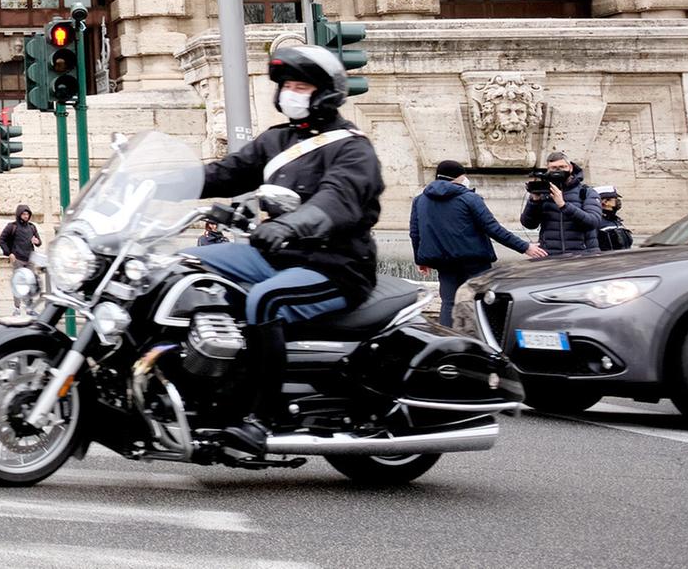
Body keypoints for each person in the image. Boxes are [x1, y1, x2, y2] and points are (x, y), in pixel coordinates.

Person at [191, 43, 386, 453]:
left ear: (326, 93)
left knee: (266, 300)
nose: (290, 93)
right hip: (277, 257)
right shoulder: (276, 140)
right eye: (286, 86)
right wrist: (157, 181)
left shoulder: (353, 149)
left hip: (335, 267)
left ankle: (258, 418)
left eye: (301, 86)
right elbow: (225, 173)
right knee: (187, 266)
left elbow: (336, 199)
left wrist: (289, 225)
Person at [410, 159, 546, 326]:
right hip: (474, 260)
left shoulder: (420, 200)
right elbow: (493, 228)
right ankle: (483, 337)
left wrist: (420, 260)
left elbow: (415, 233)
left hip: (443, 261)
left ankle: (448, 337)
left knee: (449, 303)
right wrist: (525, 247)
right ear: (458, 177)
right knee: (482, 300)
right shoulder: (469, 198)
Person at [520, 150, 607, 258]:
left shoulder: (586, 192)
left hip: (583, 256)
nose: (558, 171)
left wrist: (564, 205)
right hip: (551, 256)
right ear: (548, 169)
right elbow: (529, 224)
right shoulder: (543, 192)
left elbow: (593, 221)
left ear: (570, 168)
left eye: (562, 167)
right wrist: (534, 201)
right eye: (553, 168)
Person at [0, 204, 43, 315]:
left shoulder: (32, 227)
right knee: (18, 284)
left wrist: (37, 242)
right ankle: (17, 308)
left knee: (31, 284)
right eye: (23, 214)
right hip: (18, 259)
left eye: (27, 214)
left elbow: (39, 242)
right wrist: (9, 253)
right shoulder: (12, 226)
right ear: (19, 214)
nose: (26, 216)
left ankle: (30, 308)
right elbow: (1, 240)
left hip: (30, 259)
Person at [596, 187, 634, 252]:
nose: (618, 201)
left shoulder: (616, 221)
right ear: (605, 202)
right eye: (615, 198)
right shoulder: (597, 222)